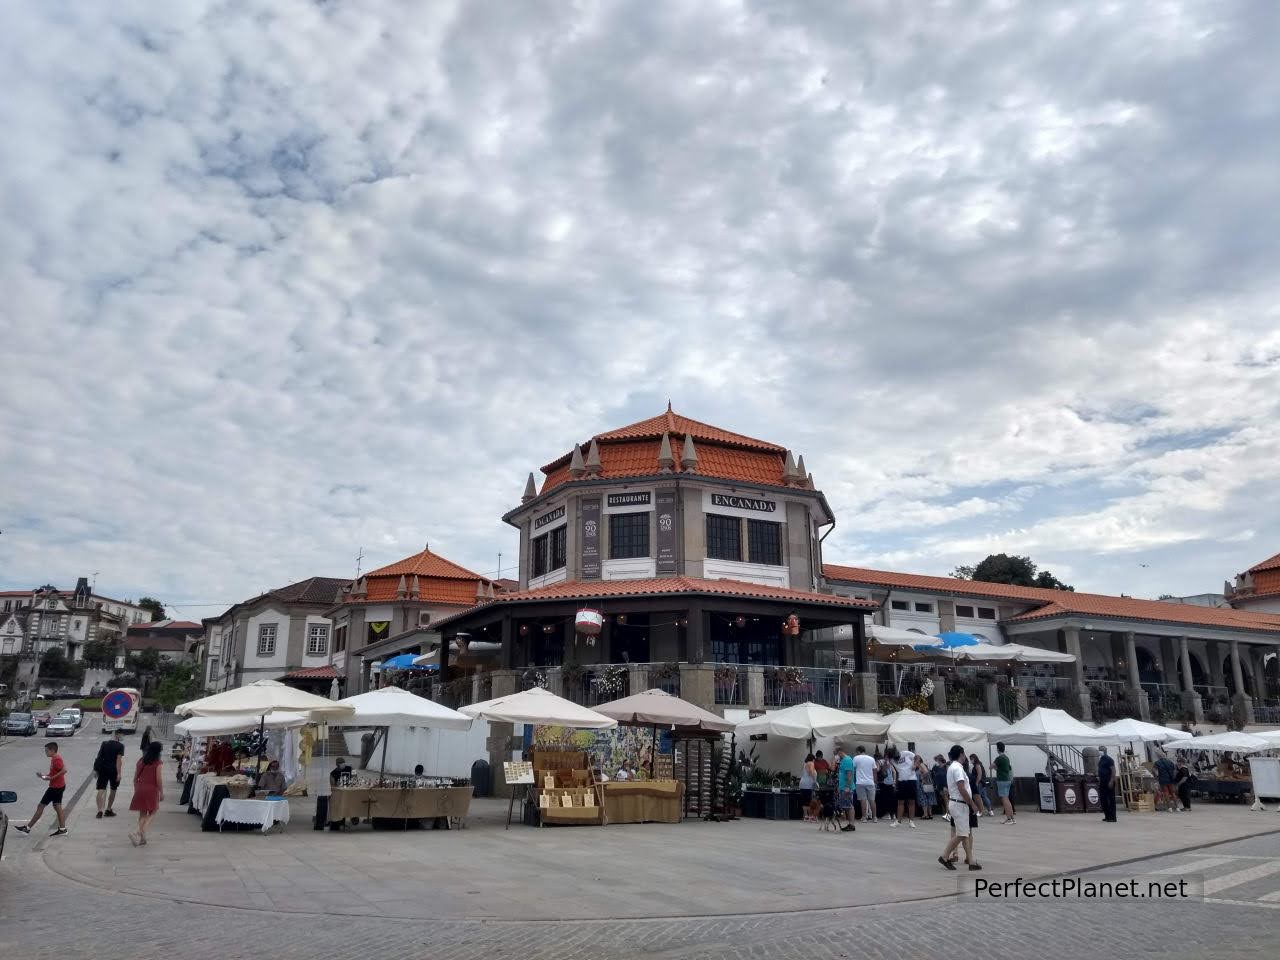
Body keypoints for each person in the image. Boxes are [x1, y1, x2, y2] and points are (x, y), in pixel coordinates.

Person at [939, 744, 981, 871]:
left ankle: (971, 861)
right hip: (959, 804)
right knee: (962, 834)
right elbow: (961, 788)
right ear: (961, 754)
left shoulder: (954, 767)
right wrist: (972, 804)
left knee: (964, 833)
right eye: (964, 754)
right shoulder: (957, 768)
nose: (965, 756)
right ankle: (944, 856)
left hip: (958, 804)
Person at [14, 742, 69, 838]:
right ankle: (63, 829)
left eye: (46, 750)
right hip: (58, 786)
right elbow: (53, 773)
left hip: (55, 788)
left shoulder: (56, 759)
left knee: (41, 806)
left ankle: (27, 828)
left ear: (52, 750)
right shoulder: (54, 759)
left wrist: (51, 778)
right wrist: (43, 776)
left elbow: (64, 770)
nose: (45, 752)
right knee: (57, 807)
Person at [129, 741, 165, 846]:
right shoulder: (158, 763)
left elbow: (135, 778)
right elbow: (158, 779)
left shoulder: (141, 761)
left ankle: (142, 839)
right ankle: (137, 832)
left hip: (140, 788)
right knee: (153, 811)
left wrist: (136, 789)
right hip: (151, 790)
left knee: (142, 813)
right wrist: (161, 792)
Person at [94, 730, 126, 818]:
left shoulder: (104, 743)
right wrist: (119, 773)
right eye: (122, 734)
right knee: (113, 789)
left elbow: (99, 757)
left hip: (103, 769)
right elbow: (118, 760)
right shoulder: (120, 746)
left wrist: (96, 770)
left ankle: (99, 810)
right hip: (113, 770)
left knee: (101, 789)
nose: (123, 736)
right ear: (117, 734)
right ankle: (108, 809)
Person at [894, 742, 919, 828]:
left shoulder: (906, 753)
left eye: (896, 756)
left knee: (911, 801)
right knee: (900, 801)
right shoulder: (891, 759)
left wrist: (915, 765)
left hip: (911, 780)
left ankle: (911, 821)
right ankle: (898, 821)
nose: (896, 759)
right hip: (901, 781)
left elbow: (918, 757)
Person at [853, 745, 877, 823]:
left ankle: (864, 817)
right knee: (872, 800)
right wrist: (875, 782)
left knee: (863, 800)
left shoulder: (856, 758)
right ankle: (874, 817)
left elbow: (853, 769)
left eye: (856, 752)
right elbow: (875, 771)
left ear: (859, 751)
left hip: (860, 782)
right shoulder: (871, 759)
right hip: (870, 782)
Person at [834, 746, 856, 833]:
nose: (836, 756)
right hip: (843, 787)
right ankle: (850, 824)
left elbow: (849, 774)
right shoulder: (843, 760)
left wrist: (847, 787)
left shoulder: (847, 760)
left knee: (849, 806)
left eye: (836, 754)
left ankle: (851, 824)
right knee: (847, 806)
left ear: (840, 752)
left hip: (847, 788)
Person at [993, 741, 1015, 824]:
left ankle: (1009, 818)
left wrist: (996, 769)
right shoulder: (1006, 758)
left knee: (1004, 799)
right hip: (1008, 780)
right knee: (1007, 799)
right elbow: (1009, 769)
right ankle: (1012, 818)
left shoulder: (999, 758)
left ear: (998, 749)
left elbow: (991, 766)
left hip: (1001, 780)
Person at [1097, 746, 1117, 822]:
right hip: (1102, 781)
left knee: (1110, 799)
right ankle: (1107, 816)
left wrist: (1111, 780)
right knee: (1103, 799)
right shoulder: (1101, 759)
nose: (1100, 751)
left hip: (1109, 781)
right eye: (1099, 750)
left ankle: (1113, 817)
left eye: (1101, 750)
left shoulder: (1109, 759)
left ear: (1105, 751)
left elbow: (1113, 770)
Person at [880, 747, 899, 823]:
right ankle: (893, 814)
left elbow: (884, 772)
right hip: (891, 783)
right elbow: (894, 772)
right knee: (891, 799)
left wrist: (885, 765)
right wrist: (894, 781)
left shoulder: (885, 763)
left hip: (886, 783)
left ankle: (889, 814)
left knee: (887, 799)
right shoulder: (891, 763)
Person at [914, 753, 935, 819]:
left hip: (923, 785)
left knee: (923, 799)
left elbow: (926, 772)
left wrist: (922, 779)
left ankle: (925, 814)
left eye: (915, 759)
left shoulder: (921, 765)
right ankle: (930, 814)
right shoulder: (922, 765)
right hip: (928, 784)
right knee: (929, 799)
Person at [798, 752, 818, 822]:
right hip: (808, 784)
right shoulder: (811, 763)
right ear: (813, 759)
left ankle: (805, 816)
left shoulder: (805, 764)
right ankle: (810, 816)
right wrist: (815, 781)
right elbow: (811, 772)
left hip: (802, 783)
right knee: (809, 800)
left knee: (804, 801)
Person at [930, 755, 949, 819]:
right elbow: (935, 776)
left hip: (945, 785)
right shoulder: (936, 767)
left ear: (939, 760)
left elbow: (947, 776)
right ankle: (946, 813)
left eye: (936, 760)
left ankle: (948, 813)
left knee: (946, 800)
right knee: (944, 800)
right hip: (939, 786)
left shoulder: (946, 766)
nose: (936, 761)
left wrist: (946, 786)